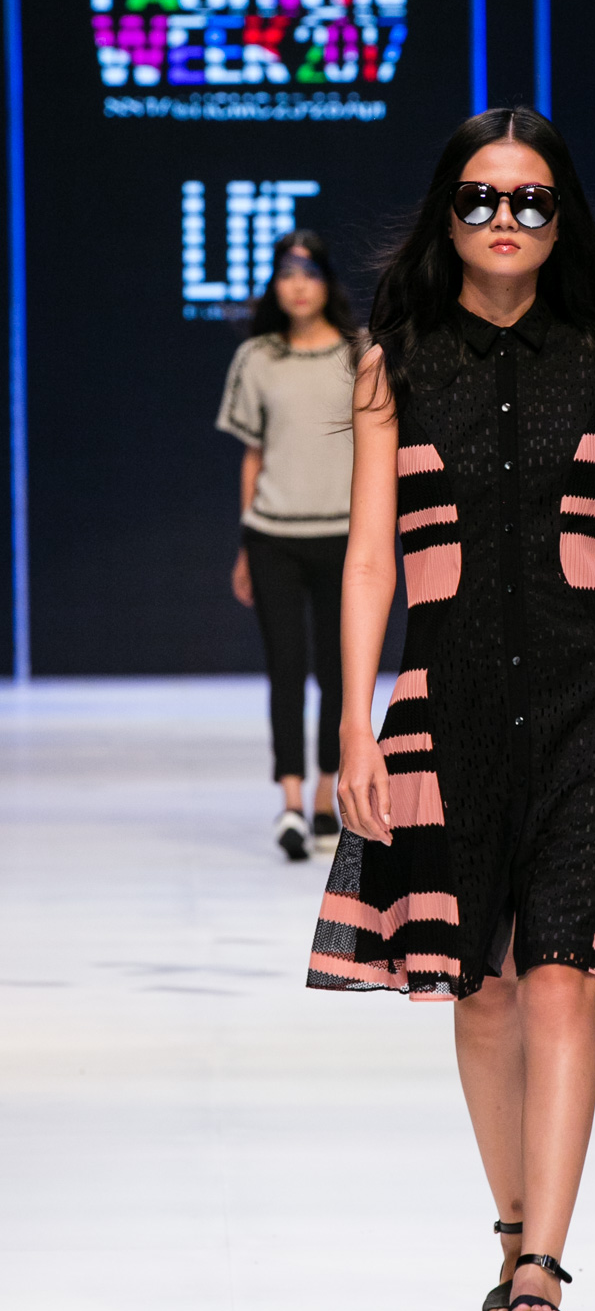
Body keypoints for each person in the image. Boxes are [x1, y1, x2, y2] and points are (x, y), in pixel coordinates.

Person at [305, 108, 595, 1311]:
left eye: (532, 201)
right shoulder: (394, 361)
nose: (506, 220)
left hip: (584, 701)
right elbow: (369, 557)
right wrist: (355, 725)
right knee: (479, 989)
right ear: (449, 212)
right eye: (483, 198)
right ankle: (511, 1238)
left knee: (562, 979)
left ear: (562, 219)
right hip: (447, 708)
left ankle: (541, 1277)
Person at [217, 230, 358, 860]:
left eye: (309, 272)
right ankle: (292, 804)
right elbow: (253, 455)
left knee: (337, 671)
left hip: (344, 534)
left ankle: (327, 796)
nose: (298, 285)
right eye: (286, 274)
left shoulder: (359, 354)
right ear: (274, 286)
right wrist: (245, 544)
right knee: (285, 668)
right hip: (273, 534)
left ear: (328, 281)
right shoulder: (257, 358)